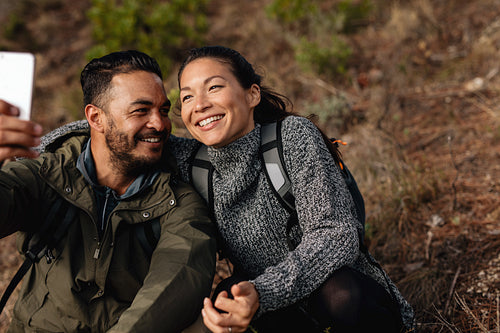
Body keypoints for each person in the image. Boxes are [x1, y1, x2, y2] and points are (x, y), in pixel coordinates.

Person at [38, 46, 415, 333]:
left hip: (334, 291)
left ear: (251, 94)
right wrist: (38, 145)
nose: (199, 105)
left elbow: (336, 235)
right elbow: (119, 125)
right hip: (265, 305)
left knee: (342, 295)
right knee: (219, 309)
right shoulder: (191, 159)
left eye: (214, 88)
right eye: (186, 97)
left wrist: (262, 292)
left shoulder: (291, 137)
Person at [0, 50, 216, 332]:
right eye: (141, 110)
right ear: (96, 117)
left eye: (163, 110)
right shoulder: (45, 176)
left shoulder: (179, 203)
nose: (160, 124)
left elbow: (173, 287)